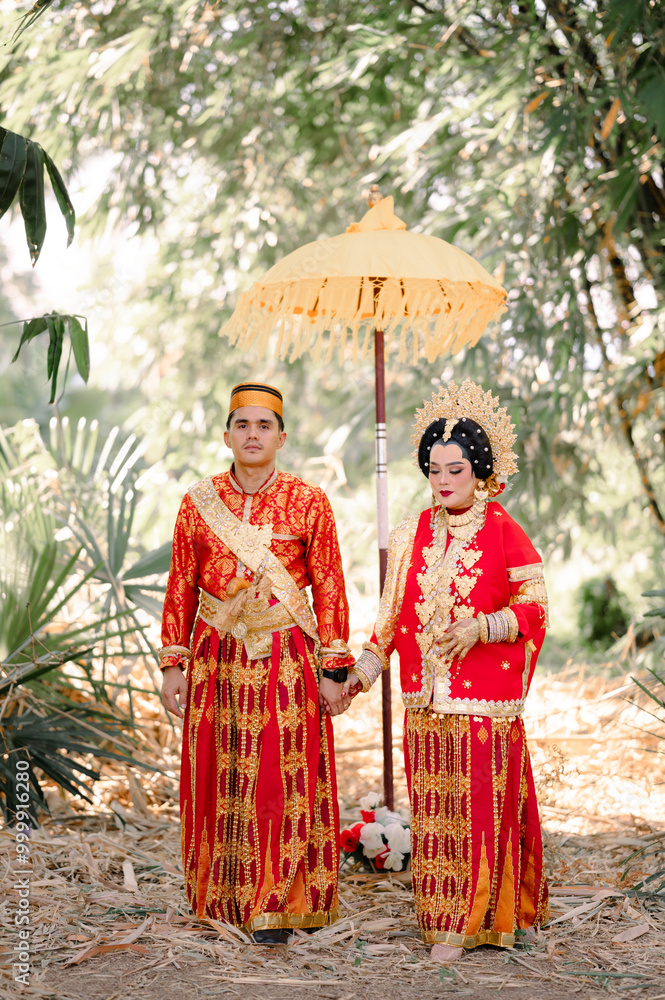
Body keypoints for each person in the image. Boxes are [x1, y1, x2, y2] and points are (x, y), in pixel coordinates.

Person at [343, 379, 549, 961]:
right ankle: (445, 922)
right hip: (424, 703)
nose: (442, 481)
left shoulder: (502, 529)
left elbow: (536, 607)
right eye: (434, 469)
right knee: (436, 816)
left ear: (479, 471)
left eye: (455, 470)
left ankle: (486, 917)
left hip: (484, 702)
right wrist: (358, 677)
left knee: (481, 810)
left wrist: (481, 627)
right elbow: (386, 625)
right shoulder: (410, 532)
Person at [160, 381, 354, 942]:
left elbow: (331, 586)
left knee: (279, 780)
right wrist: (173, 663)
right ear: (226, 435)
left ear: (282, 437)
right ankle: (221, 899)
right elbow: (181, 586)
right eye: (242, 425)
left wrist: (334, 667)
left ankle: (279, 903)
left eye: (263, 425)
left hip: (285, 660)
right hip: (215, 659)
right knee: (219, 777)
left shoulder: (310, 501)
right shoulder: (197, 501)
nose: (252, 434)